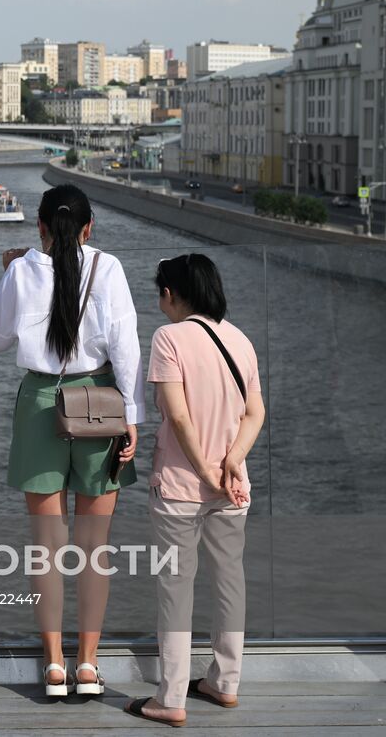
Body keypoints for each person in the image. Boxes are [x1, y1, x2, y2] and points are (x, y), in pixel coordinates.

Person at [0, 183, 144, 700]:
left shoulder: (22, 270)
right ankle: (89, 665)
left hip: (40, 406)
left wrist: (10, 272)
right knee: (95, 550)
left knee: (45, 550)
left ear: (41, 227)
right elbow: (125, 344)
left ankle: (54, 665)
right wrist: (133, 416)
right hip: (99, 403)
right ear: (90, 228)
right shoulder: (110, 268)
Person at [125, 254, 265, 727]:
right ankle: (225, 682)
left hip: (182, 486)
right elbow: (255, 413)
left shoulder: (169, 337)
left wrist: (204, 471)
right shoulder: (240, 339)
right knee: (230, 581)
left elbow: (178, 415)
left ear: (171, 293)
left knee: (175, 589)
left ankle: (171, 697)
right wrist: (230, 462)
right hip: (233, 486)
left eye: (159, 292)